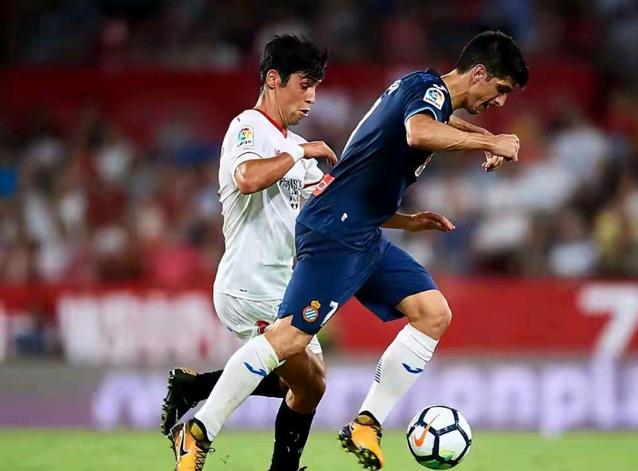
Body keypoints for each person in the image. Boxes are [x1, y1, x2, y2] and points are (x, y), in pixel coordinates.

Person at [174, 30, 528, 471]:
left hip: (360, 230)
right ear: (478, 73)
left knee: (433, 313)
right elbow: (419, 132)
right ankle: (199, 430)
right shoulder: (426, 95)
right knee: (289, 340)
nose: (500, 101)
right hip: (336, 230)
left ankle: (366, 424)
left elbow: (436, 122)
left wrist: (481, 140)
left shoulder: (425, 92)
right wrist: (491, 142)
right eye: (501, 89)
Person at [166, 35, 337, 471]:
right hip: (250, 283)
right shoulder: (248, 127)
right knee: (303, 377)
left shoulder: (292, 146)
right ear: (274, 79)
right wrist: (299, 150)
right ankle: (198, 429)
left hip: (282, 287)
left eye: (316, 87)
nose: (312, 97)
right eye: (305, 85)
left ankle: (196, 389)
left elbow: (339, 202)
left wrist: (406, 218)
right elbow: (246, 178)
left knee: (309, 386)